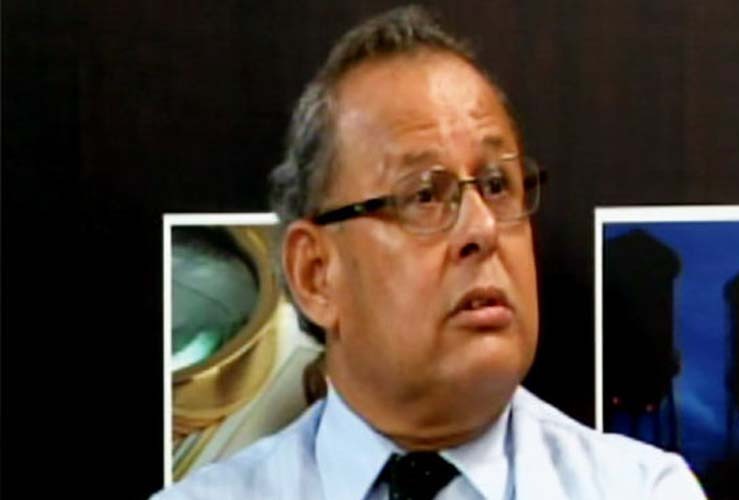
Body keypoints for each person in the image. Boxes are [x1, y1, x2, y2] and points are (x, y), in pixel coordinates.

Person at [153, 5, 706, 499]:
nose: (482, 229)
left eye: (496, 185)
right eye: (424, 195)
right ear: (316, 273)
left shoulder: (644, 490)